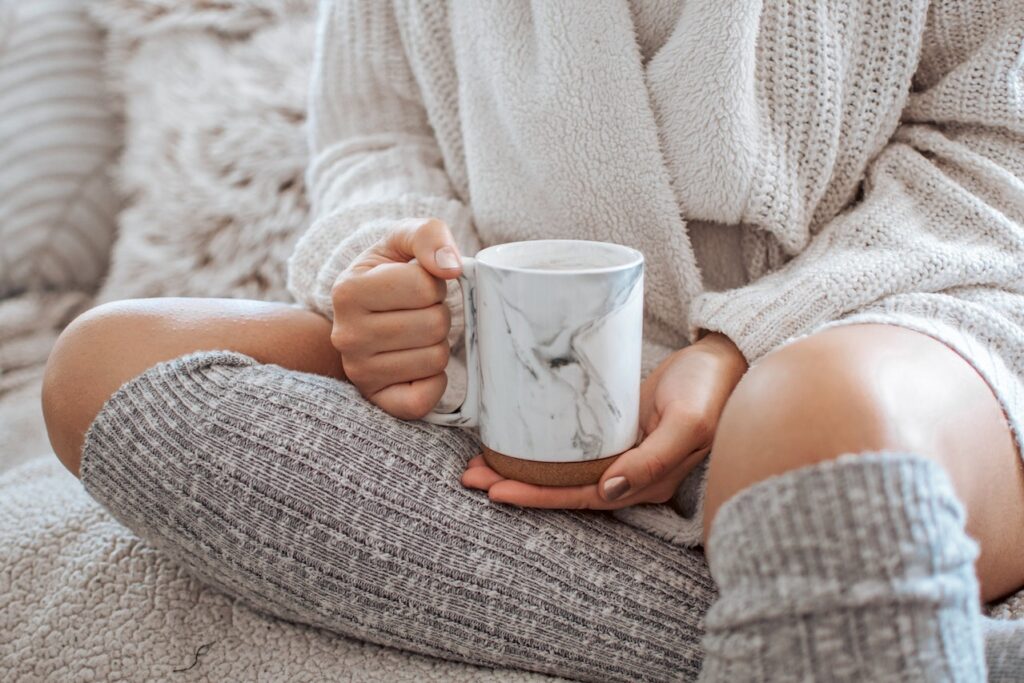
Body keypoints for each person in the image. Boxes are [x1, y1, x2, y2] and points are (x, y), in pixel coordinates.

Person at [41, 1, 1024, 681]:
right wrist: (391, 275)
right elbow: (372, 145)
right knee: (111, 366)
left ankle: (831, 560)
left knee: (814, 416)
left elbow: (991, 160)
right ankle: (849, 612)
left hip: (892, 319)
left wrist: (743, 345)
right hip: (523, 352)